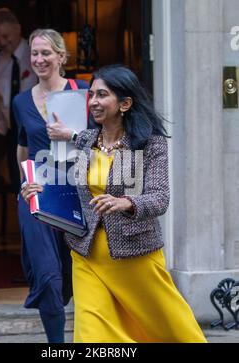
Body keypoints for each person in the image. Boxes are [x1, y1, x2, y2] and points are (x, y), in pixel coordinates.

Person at [64, 65, 207, 343]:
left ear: (125, 103)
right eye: (91, 94)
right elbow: (71, 190)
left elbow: (159, 197)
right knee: (93, 337)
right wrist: (38, 190)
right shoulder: (85, 142)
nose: (93, 101)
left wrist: (126, 202)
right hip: (87, 254)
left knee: (174, 331)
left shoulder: (149, 144)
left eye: (102, 95)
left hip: (135, 257)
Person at [14, 28, 89, 343]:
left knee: (72, 279)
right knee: (47, 275)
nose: (39, 59)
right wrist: (24, 182)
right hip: (39, 197)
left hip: (76, 192)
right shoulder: (21, 101)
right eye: (35, 53)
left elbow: (103, 142)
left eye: (46, 53)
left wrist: (71, 135)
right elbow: (22, 147)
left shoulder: (83, 91)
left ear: (61, 56)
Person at [0, 8, 37, 193]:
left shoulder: (37, 55)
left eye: (5, 36)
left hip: (38, 131)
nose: (2, 42)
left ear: (18, 28)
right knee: (20, 188)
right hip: (13, 135)